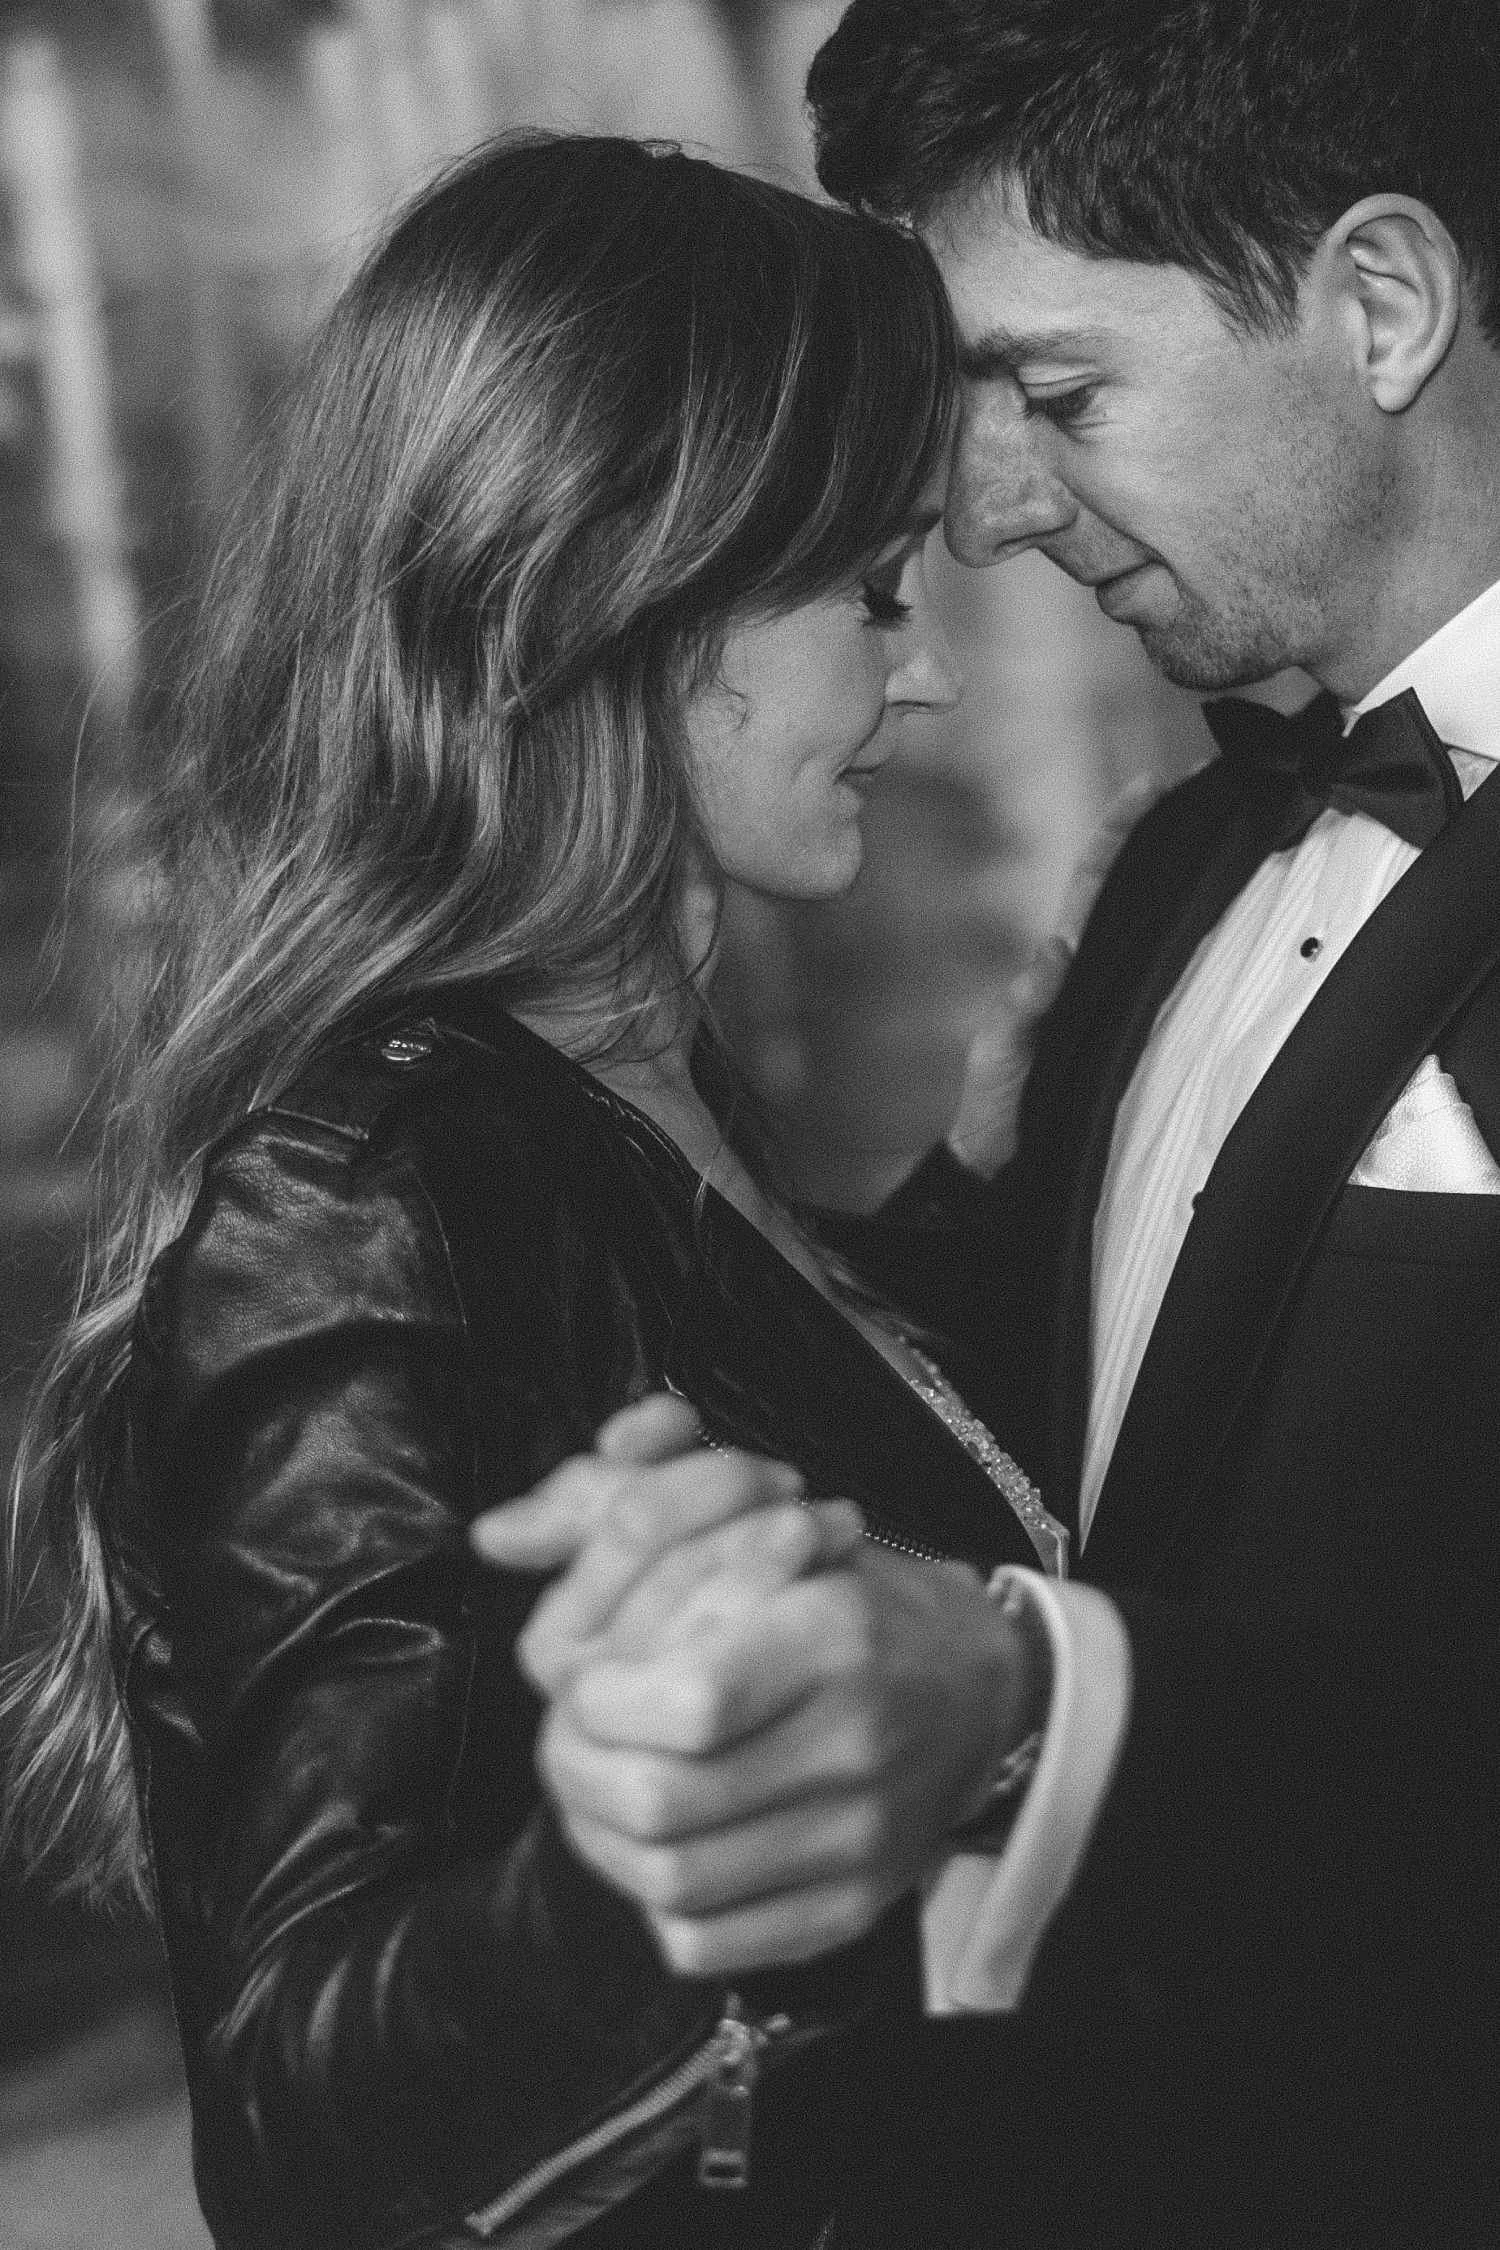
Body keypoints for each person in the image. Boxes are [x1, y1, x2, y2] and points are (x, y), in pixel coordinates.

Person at [0, 128, 1075, 2250]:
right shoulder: (371, 1173)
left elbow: (727, 1402)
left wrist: (968, 1209)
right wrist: (651, 1837)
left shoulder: (616, 1097)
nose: (926, 671)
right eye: (870, 593)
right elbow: (314, 2112)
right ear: (623, 586)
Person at [490, 5, 1500, 2243]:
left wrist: (1040, 1713)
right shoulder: (1167, 875)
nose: (990, 506)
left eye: (1055, 393)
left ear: (1383, 305)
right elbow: (1049, 1421)